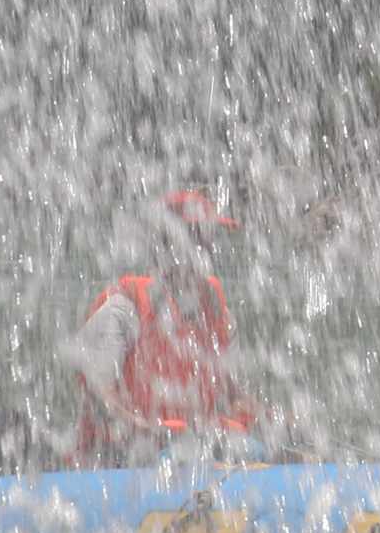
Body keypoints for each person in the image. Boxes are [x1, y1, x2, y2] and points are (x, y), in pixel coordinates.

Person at [72, 185, 262, 464]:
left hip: (198, 452)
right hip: (124, 459)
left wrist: (273, 420)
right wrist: (152, 432)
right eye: (197, 239)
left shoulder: (220, 315)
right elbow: (99, 399)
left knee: (254, 450)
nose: (207, 251)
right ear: (165, 244)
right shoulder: (123, 309)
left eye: (209, 240)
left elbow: (234, 396)